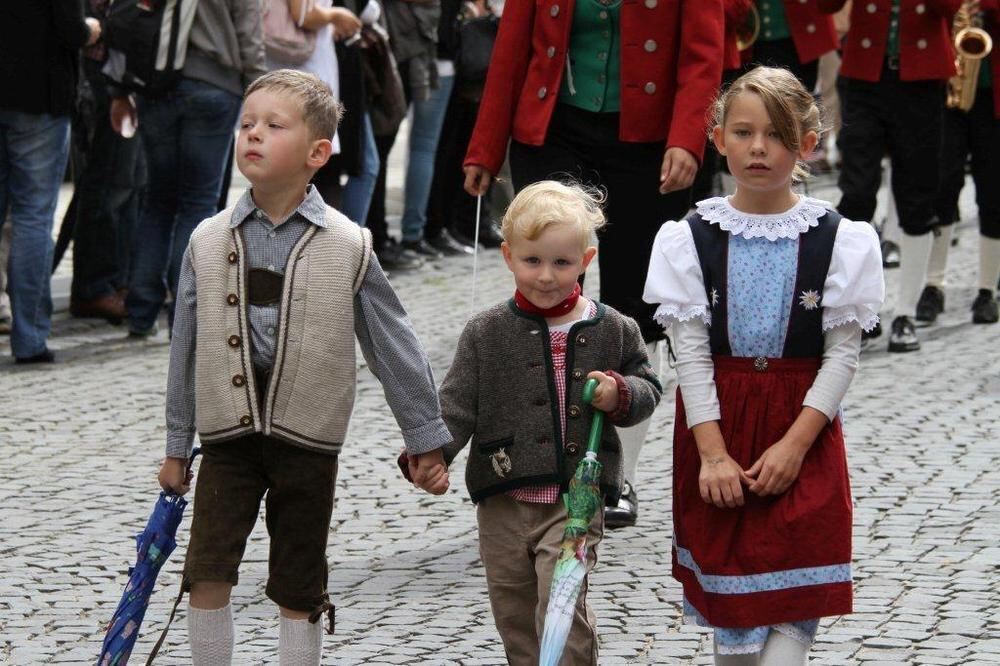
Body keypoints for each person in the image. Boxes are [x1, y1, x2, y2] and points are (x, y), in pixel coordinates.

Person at [156, 70, 452, 665]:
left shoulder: (349, 244)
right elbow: (183, 349)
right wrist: (174, 443)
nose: (253, 135)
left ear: (318, 153)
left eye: (273, 125)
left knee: (299, 579)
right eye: (246, 124)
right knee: (207, 569)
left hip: (308, 442)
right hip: (226, 441)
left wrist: (425, 438)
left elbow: (392, 344)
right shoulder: (207, 240)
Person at [644, 67, 884, 664]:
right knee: (735, 632)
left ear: (806, 144)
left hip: (802, 429)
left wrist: (796, 445)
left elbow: (842, 356)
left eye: (776, 135)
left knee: (793, 613)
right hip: (719, 429)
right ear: (719, 138)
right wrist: (713, 452)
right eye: (744, 132)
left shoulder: (841, 239)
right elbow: (691, 357)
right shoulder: (690, 237)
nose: (758, 148)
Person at [462, 0, 725, 529]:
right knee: (548, 292)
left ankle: (615, 475)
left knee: (637, 301)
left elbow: (703, 55)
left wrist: (687, 139)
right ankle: (539, 466)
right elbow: (512, 50)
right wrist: (485, 148)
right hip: (552, 130)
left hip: (649, 140)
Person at [409, 180, 662, 665]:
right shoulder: (485, 332)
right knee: (515, 611)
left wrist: (620, 393)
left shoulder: (614, 328)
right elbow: (457, 404)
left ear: (585, 260)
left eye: (562, 263)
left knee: (561, 605)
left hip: (575, 501)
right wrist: (430, 454)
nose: (546, 276)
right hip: (503, 496)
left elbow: (648, 388)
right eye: (532, 261)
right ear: (508, 256)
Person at [118, 0, 266, 338]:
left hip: (154, 85)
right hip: (213, 86)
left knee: (157, 201)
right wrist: (261, 94)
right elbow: (248, 32)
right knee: (198, 203)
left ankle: (140, 312)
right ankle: (184, 314)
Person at [819, 0, 960, 351]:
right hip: (864, 75)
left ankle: (905, 314)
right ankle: (861, 309)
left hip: (922, 80)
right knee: (857, 193)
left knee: (916, 197)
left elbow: (951, 8)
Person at [0, 1, 101, 362]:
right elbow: (70, 29)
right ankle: (28, 340)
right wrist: (93, 27)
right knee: (33, 217)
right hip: (38, 94)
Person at [919, 0, 1000, 325]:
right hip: (949, 89)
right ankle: (933, 284)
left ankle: (987, 289)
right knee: (941, 186)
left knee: (993, 191)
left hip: (993, 94)